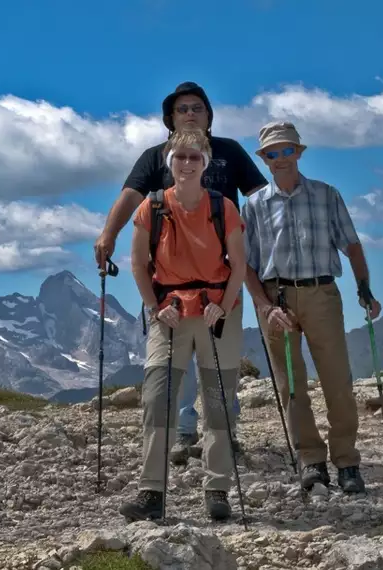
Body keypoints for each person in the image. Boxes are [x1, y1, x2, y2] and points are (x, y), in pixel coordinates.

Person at [94, 81, 267, 459]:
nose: (190, 113)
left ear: (208, 115)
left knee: (220, 360)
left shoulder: (230, 152)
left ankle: (223, 433)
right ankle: (186, 431)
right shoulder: (155, 156)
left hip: (221, 279)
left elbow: (261, 198)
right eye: (182, 108)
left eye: (197, 108)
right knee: (180, 360)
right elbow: (131, 196)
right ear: (170, 118)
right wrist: (109, 234)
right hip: (169, 282)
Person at [241, 120, 382, 494]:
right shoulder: (253, 207)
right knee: (291, 386)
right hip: (276, 301)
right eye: (273, 153)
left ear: (299, 153)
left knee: (337, 381)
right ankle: (311, 462)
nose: (281, 158)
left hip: (322, 294)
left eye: (288, 150)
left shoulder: (326, 194)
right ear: (265, 159)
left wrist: (364, 288)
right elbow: (246, 265)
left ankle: (348, 462)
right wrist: (264, 306)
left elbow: (351, 245)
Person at [119, 127, 247, 522]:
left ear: (205, 162)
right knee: (158, 399)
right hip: (170, 313)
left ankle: (218, 489)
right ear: (169, 162)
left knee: (217, 402)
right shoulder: (152, 208)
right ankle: (152, 492)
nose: (187, 164)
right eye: (180, 157)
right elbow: (139, 265)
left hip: (215, 313)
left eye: (195, 157)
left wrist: (223, 306)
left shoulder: (222, 207)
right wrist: (156, 307)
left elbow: (239, 265)